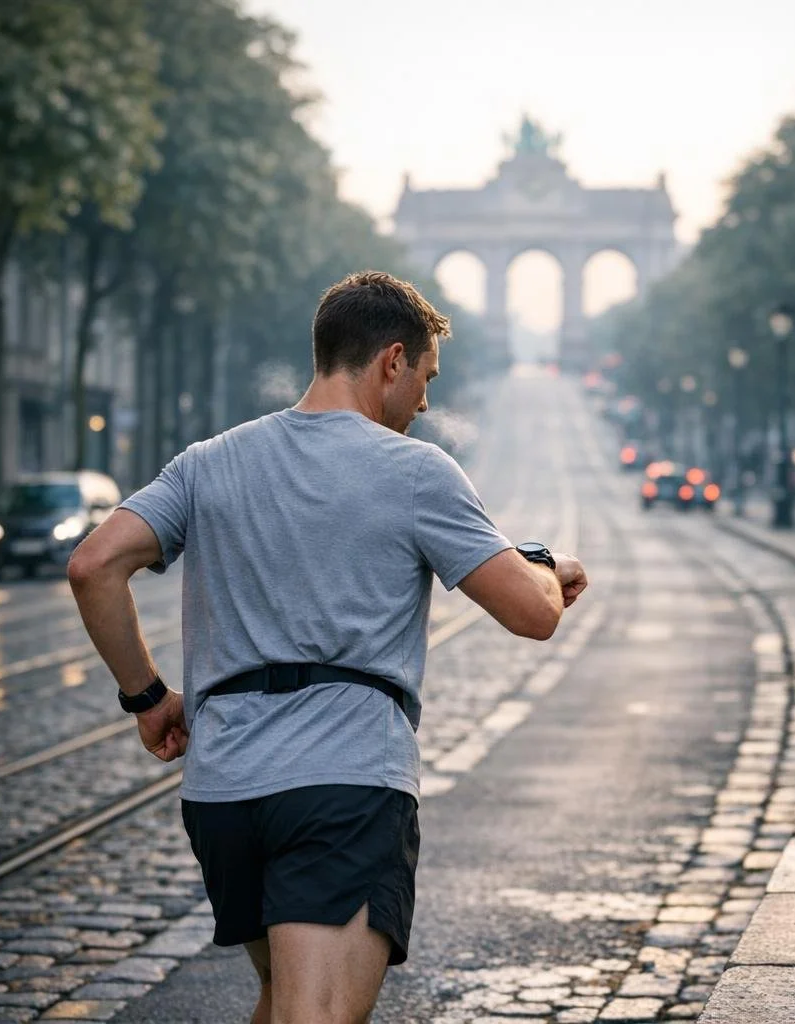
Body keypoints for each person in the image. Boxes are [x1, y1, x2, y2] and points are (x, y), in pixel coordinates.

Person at [67, 270, 589, 1024]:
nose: (426, 402)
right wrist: (546, 563)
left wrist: (148, 698)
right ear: (391, 361)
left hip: (222, 794)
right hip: (342, 786)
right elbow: (532, 615)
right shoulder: (416, 471)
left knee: (284, 1000)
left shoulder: (207, 460)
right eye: (427, 378)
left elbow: (93, 566)